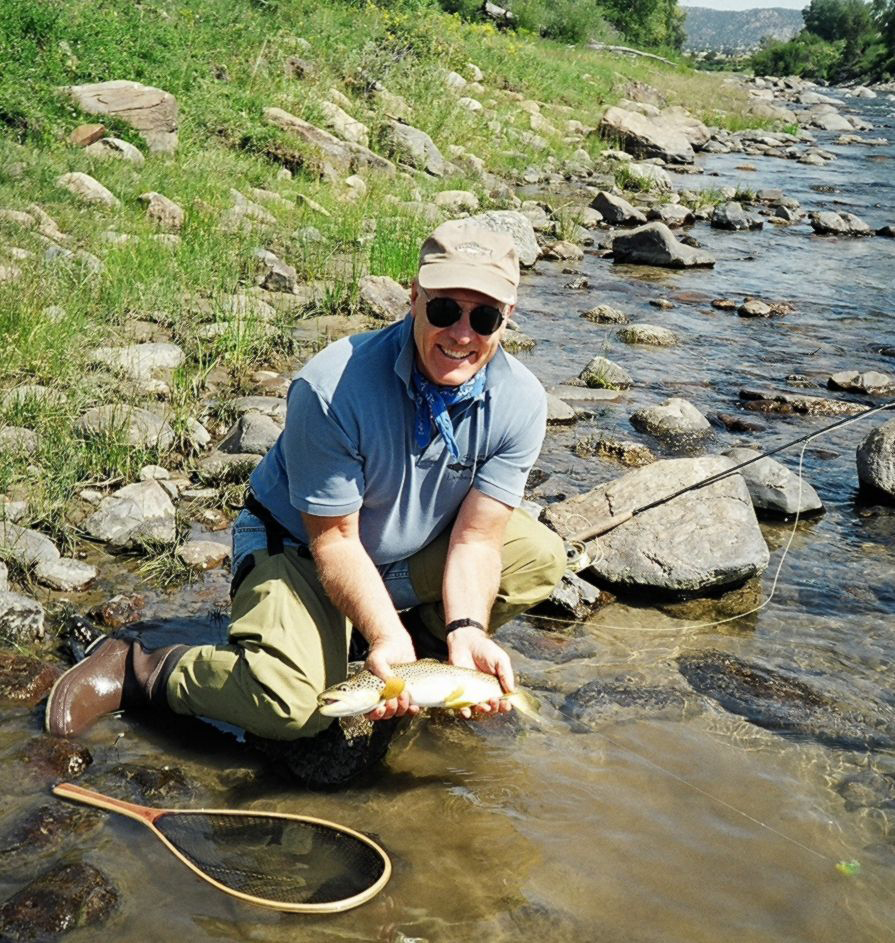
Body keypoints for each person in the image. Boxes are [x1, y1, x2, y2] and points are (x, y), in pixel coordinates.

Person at [46, 220, 566, 749]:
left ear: (507, 320)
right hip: (300, 550)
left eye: (483, 317)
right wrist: (386, 633)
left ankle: (411, 655)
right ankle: (145, 670)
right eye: (444, 310)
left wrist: (466, 634)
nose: (461, 334)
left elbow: (476, 540)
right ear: (414, 297)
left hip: (400, 557)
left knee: (537, 556)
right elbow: (335, 541)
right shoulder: (334, 386)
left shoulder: (520, 401)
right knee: (293, 708)